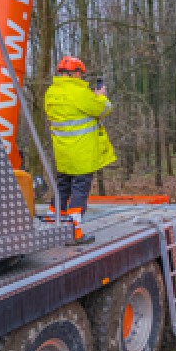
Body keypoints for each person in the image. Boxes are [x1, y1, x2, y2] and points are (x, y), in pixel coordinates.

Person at [44, 55, 115, 245]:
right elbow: (103, 110)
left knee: (63, 186)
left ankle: (54, 218)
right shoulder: (79, 92)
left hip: (62, 152)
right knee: (79, 191)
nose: (82, 78)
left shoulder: (51, 92)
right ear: (75, 73)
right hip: (81, 153)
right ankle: (74, 232)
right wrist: (100, 97)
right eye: (81, 74)